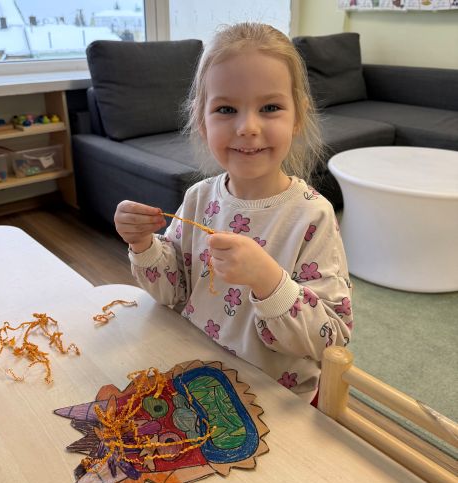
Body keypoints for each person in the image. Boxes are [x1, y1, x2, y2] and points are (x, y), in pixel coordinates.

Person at [114, 22, 353, 404]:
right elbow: (173, 291)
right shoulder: (199, 198)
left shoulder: (313, 216)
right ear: (202, 121)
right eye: (226, 109)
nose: (247, 127)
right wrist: (143, 244)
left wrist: (268, 281)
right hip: (197, 381)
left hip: (276, 399)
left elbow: (331, 338)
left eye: (270, 108)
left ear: (297, 118)